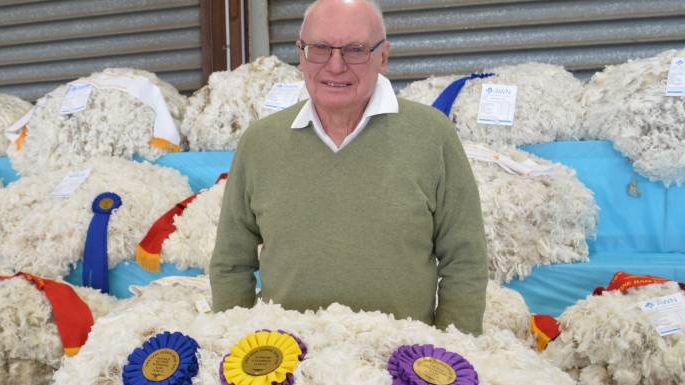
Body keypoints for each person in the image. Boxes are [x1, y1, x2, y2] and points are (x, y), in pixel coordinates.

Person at [208, 0, 488, 334]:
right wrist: (236, 346)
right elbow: (231, 263)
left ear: (382, 57)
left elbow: (465, 259)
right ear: (301, 55)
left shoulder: (432, 135)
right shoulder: (260, 143)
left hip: (403, 366)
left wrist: (450, 352)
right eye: (320, 48)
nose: (335, 66)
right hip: (287, 368)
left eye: (355, 50)